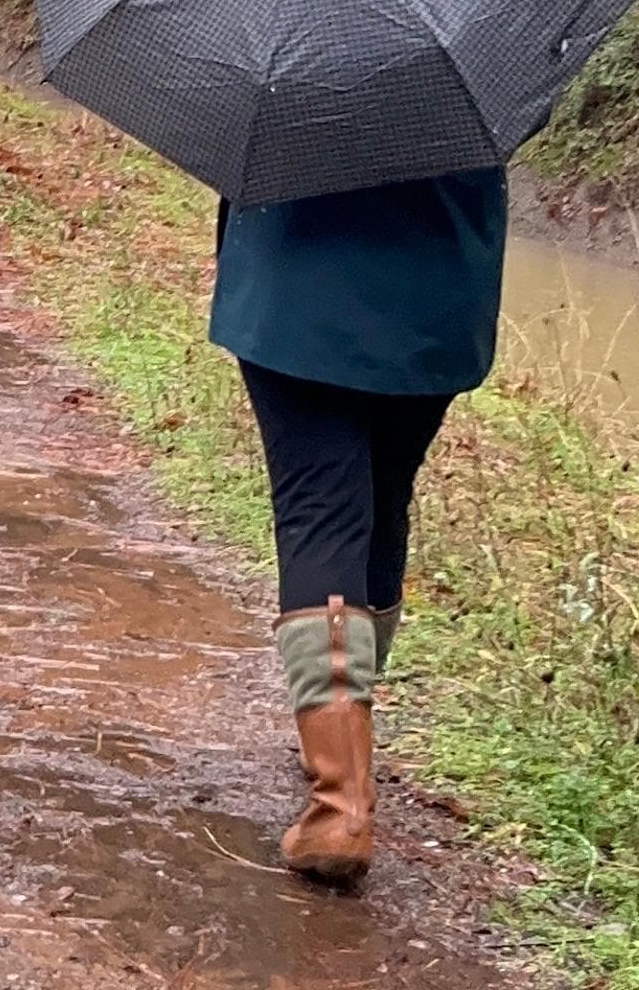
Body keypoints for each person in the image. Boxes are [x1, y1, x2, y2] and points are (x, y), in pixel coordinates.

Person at [210, 170, 509, 885]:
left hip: (296, 293)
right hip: (439, 294)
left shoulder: (291, 59)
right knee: (381, 496)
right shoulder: (476, 65)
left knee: (321, 509)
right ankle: (350, 748)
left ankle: (339, 805)